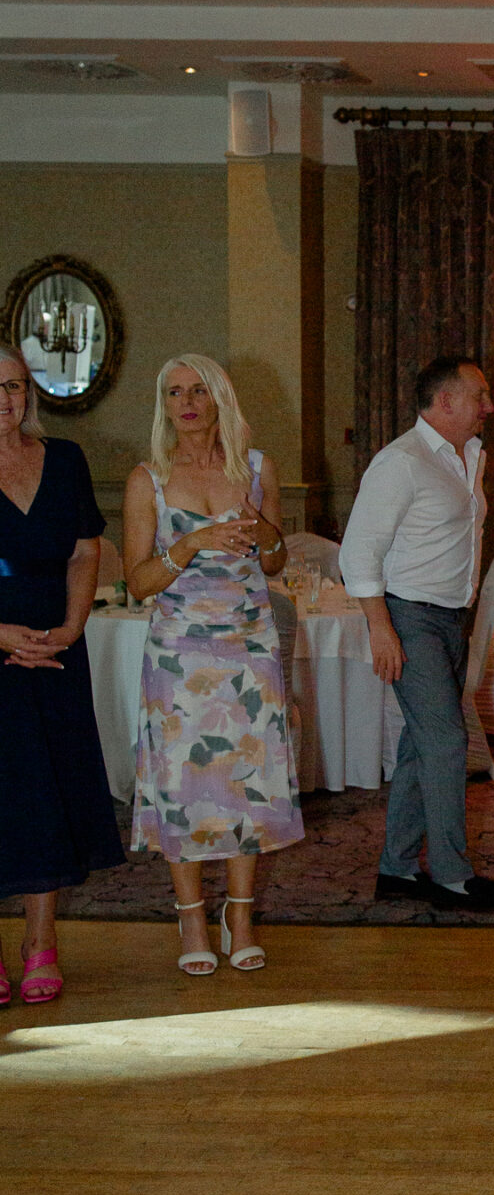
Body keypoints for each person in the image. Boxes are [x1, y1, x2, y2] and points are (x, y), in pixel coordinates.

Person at [123, 355, 302, 974]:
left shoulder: (257, 468)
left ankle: (242, 912)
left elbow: (275, 561)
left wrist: (265, 532)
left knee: (247, 781)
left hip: (249, 644)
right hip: (178, 652)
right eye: (175, 392)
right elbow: (139, 581)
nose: (187, 402)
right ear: (164, 405)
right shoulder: (148, 479)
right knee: (184, 786)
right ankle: (192, 915)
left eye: (198, 390)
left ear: (220, 397)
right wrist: (190, 543)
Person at [341, 356, 494, 915]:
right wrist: (381, 629)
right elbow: (358, 553)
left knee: (422, 747)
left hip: (451, 618)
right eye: (480, 395)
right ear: (445, 401)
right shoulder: (401, 462)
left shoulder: (470, 457)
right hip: (408, 616)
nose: (489, 407)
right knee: (447, 742)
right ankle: (451, 877)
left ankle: (397, 869)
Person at [0, 345, 124, 1002]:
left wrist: (73, 629)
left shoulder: (65, 459)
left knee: (47, 792)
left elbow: (84, 551)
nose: (7, 400)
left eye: (16, 386)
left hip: (54, 644)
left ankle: (39, 940)